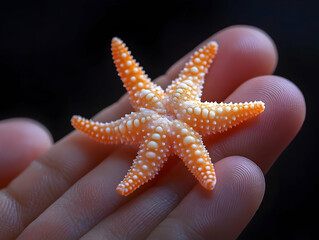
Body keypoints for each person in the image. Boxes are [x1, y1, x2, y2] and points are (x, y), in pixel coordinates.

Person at [0, 26, 305, 239]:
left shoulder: (163, 105)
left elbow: (206, 156)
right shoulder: (160, 107)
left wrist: (244, 110)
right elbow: (116, 130)